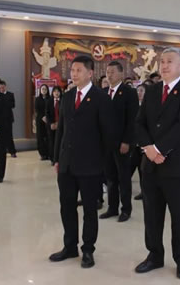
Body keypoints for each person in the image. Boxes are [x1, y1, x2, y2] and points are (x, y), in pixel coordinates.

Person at [134, 48, 180, 280]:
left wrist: (159, 149)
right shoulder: (152, 91)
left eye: (169, 62)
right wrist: (149, 149)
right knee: (152, 215)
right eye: (162, 61)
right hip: (151, 165)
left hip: (177, 166)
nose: (163, 65)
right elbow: (139, 123)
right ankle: (154, 255)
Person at [50, 56, 115, 269]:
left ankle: (88, 249)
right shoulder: (68, 96)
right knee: (67, 207)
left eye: (78, 70)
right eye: (72, 70)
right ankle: (70, 246)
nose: (74, 74)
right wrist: (57, 159)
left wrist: (101, 164)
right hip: (67, 165)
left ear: (90, 73)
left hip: (90, 166)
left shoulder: (101, 98)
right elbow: (61, 130)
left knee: (89, 210)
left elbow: (108, 135)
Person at [99, 61, 139, 223]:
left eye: (112, 72)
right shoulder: (103, 93)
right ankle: (112, 207)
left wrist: (127, 141)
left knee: (123, 177)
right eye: (107, 72)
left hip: (122, 143)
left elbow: (132, 119)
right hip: (106, 143)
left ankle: (126, 209)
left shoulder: (129, 92)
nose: (109, 75)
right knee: (110, 177)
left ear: (121, 74)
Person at [131, 84, 147, 201]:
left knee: (143, 170)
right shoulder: (133, 106)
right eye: (138, 91)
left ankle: (144, 191)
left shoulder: (148, 106)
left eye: (142, 90)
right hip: (134, 143)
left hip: (144, 144)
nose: (139, 93)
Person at [0, 80, 17, 158]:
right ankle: (0, 152)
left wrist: (5, 102)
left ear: (5, 86)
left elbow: (13, 105)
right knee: (0, 136)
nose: (2, 89)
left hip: (8, 118)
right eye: (0, 88)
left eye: (3, 87)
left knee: (9, 135)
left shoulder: (10, 94)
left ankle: (12, 151)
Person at [46, 86, 63, 165]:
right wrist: (51, 123)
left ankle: (59, 159)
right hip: (51, 126)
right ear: (52, 93)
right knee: (52, 142)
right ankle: (53, 158)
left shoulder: (63, 101)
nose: (56, 93)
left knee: (60, 142)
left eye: (58, 91)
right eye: (55, 91)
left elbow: (64, 114)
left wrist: (58, 123)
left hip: (61, 125)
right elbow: (47, 114)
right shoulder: (49, 101)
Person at [35, 84, 51, 160]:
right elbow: (37, 109)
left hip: (48, 120)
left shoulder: (50, 99)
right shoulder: (37, 99)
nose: (44, 90)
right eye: (42, 89)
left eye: (45, 89)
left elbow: (51, 109)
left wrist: (47, 117)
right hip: (40, 120)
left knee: (48, 137)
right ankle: (42, 154)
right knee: (40, 137)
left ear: (47, 90)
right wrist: (43, 117)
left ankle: (49, 153)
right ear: (40, 90)